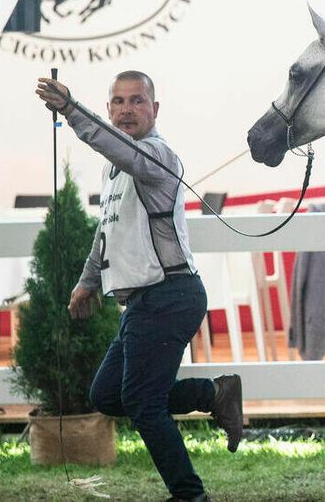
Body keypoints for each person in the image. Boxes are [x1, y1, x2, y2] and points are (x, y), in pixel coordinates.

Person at [35, 71, 243, 502]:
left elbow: (113, 145)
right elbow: (106, 230)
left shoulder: (157, 154)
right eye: (118, 102)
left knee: (144, 403)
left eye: (137, 101)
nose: (126, 109)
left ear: (155, 109)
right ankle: (215, 393)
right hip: (145, 302)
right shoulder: (115, 169)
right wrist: (88, 282)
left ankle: (189, 495)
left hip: (170, 294)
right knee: (108, 395)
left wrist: (70, 110)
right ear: (109, 108)